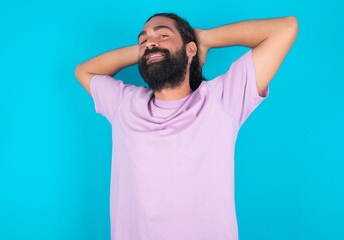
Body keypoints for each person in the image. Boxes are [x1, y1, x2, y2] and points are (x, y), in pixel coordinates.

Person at [75, 13, 298, 240]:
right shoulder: (124, 104)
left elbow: (286, 28)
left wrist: (205, 38)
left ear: (191, 50)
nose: (150, 42)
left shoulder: (221, 99)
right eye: (142, 40)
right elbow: (84, 71)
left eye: (163, 34)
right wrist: (152, 50)